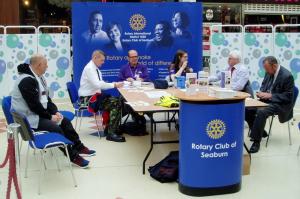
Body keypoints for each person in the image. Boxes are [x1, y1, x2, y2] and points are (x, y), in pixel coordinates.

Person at [11, 55, 95, 169]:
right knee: (56, 128)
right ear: (38, 65)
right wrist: (50, 117)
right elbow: (34, 106)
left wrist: (55, 112)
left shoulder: (39, 77)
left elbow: (46, 99)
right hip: (29, 119)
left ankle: (78, 146)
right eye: (45, 64)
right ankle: (73, 156)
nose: (47, 66)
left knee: (64, 122)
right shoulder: (26, 81)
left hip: (37, 114)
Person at [246, 56, 294, 153]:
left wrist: (270, 96)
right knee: (248, 109)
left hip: (280, 104)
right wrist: (262, 93)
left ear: (274, 66)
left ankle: (256, 142)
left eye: (267, 69)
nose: (266, 71)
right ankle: (260, 131)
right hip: (268, 100)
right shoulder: (268, 72)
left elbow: (288, 96)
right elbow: (264, 85)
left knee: (261, 112)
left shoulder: (287, 76)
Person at [78, 50, 125, 142]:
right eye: (102, 60)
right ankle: (111, 133)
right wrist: (114, 85)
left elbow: (100, 84)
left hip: (93, 96)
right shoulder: (90, 69)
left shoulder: (94, 68)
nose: (103, 62)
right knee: (116, 103)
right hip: (88, 99)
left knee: (117, 100)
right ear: (95, 58)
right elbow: (98, 85)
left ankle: (110, 128)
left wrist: (113, 84)